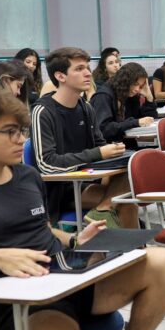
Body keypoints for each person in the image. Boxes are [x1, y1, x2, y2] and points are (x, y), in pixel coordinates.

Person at [0, 86, 165, 330]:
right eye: (10, 132)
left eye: (21, 131)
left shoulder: (27, 177)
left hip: (64, 276)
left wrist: (73, 241)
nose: (21, 140)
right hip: (15, 302)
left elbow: (42, 228)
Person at [31, 47, 139, 229]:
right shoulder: (43, 111)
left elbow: (99, 145)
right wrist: (98, 154)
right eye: (79, 69)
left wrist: (114, 152)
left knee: (131, 169)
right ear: (60, 76)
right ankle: (132, 252)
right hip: (64, 190)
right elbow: (46, 164)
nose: (88, 73)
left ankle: (107, 224)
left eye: (87, 67)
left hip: (93, 180)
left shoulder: (86, 107)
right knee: (125, 201)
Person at [90, 63, 157, 143]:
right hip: (107, 148)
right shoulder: (103, 96)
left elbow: (149, 120)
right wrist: (135, 122)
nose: (137, 89)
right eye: (135, 84)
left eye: (140, 86)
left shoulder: (129, 96)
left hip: (126, 145)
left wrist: (149, 98)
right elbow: (103, 129)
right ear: (125, 81)